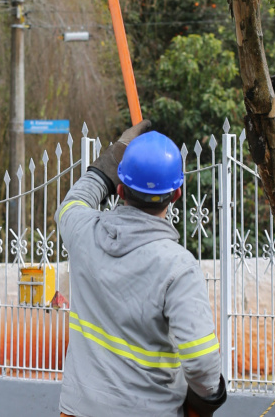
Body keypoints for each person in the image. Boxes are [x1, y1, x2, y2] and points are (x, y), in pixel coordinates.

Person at [55, 121, 227, 417]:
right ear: (176, 195)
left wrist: (117, 152)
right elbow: (201, 362)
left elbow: (73, 202)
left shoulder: (83, 232)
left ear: (120, 189)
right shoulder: (178, 266)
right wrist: (204, 404)